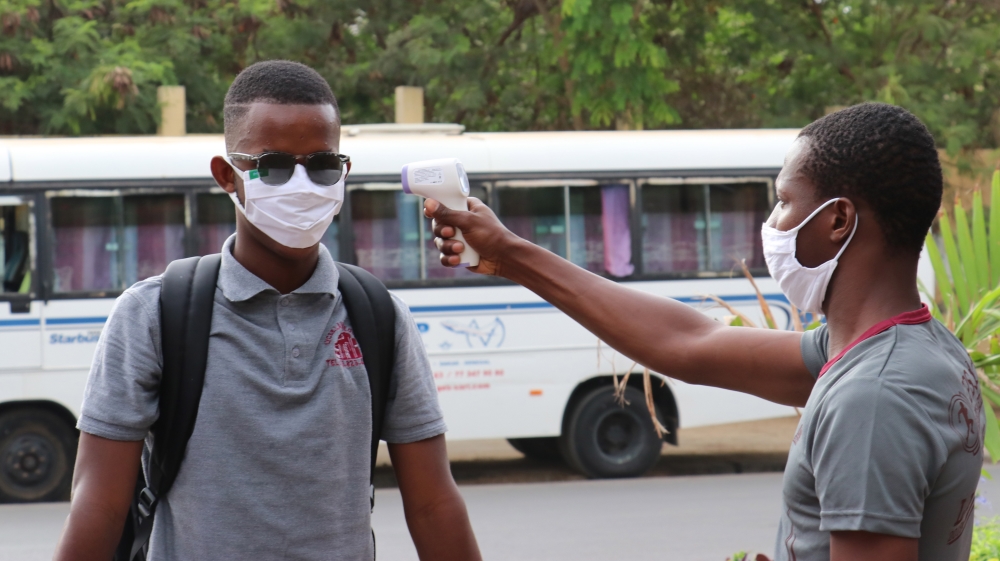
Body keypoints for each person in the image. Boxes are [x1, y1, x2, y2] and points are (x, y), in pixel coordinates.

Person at [426, 102, 983, 561]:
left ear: (838, 220)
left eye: (786, 201)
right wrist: (508, 255)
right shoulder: (915, 351)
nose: (773, 224)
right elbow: (691, 345)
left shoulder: (874, 396)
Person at [54, 60, 481, 561]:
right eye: (274, 166)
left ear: (342, 174)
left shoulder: (379, 317)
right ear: (227, 176)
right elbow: (98, 506)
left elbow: (432, 504)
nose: (301, 186)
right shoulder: (153, 315)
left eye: (322, 166)